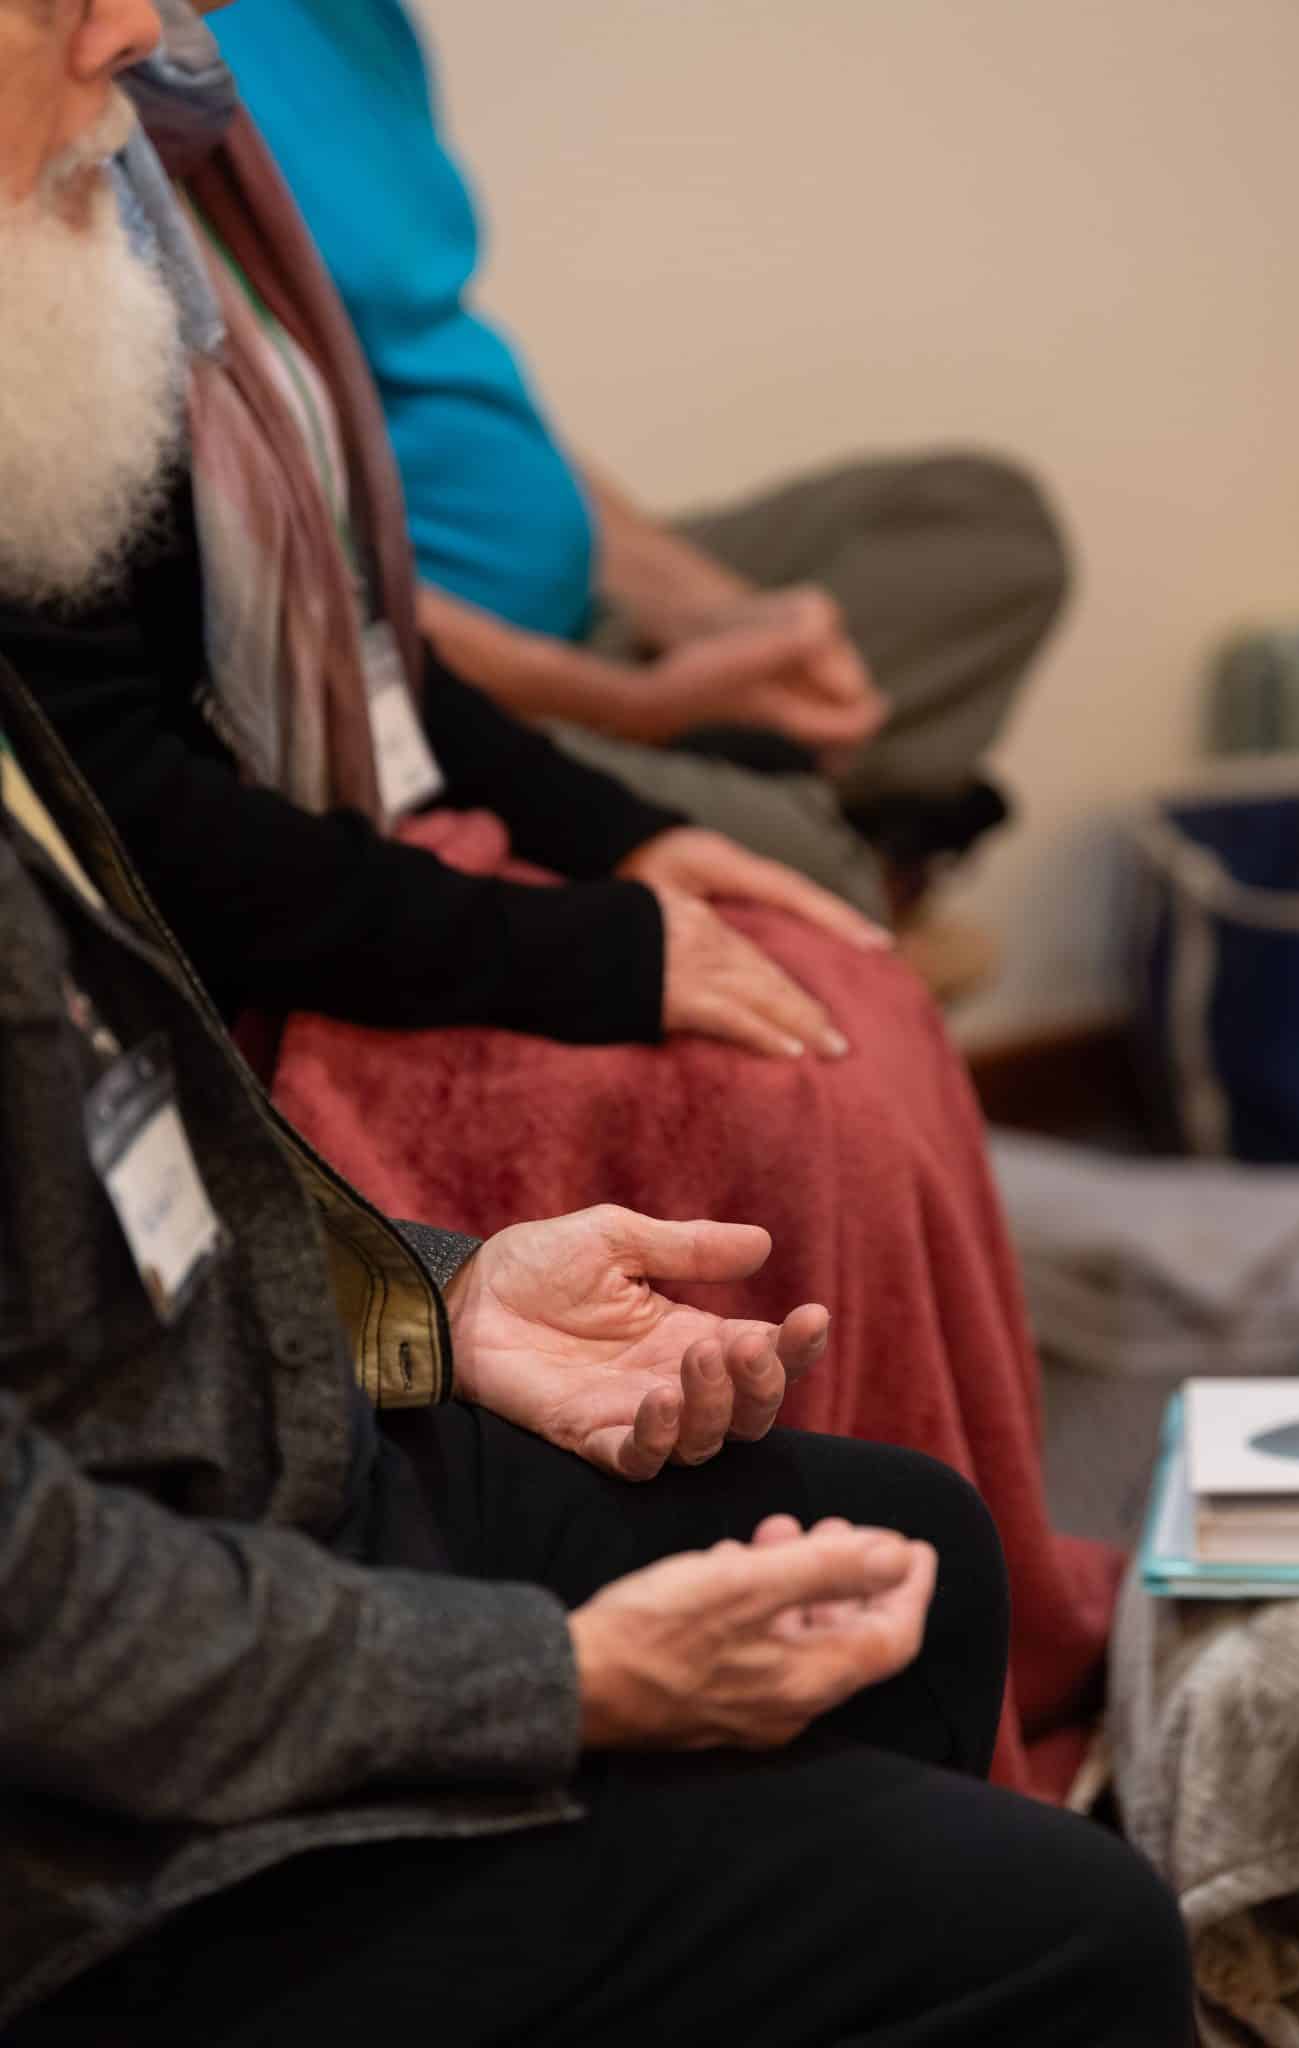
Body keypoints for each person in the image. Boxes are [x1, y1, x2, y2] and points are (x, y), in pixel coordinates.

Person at [0, 0, 1118, 1792]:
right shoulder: (79, 260)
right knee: (799, 1089)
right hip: (296, 900)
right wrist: (604, 903)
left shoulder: (190, 136)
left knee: (843, 961)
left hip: (416, 761)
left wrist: (623, 825)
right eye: (69, 7)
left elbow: (366, 613)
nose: (135, 33)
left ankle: (964, 1680)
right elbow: (165, 814)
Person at [0, 661, 1191, 2043]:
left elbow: (100, 1201)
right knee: (1067, 1927)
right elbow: (46, 1622)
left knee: (907, 1550)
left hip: (237, 1474)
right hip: (87, 1844)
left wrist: (434, 1304)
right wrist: (560, 1680)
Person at [214, 0, 1070, 929]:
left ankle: (778, 771)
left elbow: (454, 395)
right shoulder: (149, 56)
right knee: (813, 880)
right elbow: (288, 587)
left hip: (582, 626)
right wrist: (630, 705)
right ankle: (812, 807)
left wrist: (713, 611)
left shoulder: (363, 28)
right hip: (423, 693)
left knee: (986, 524)